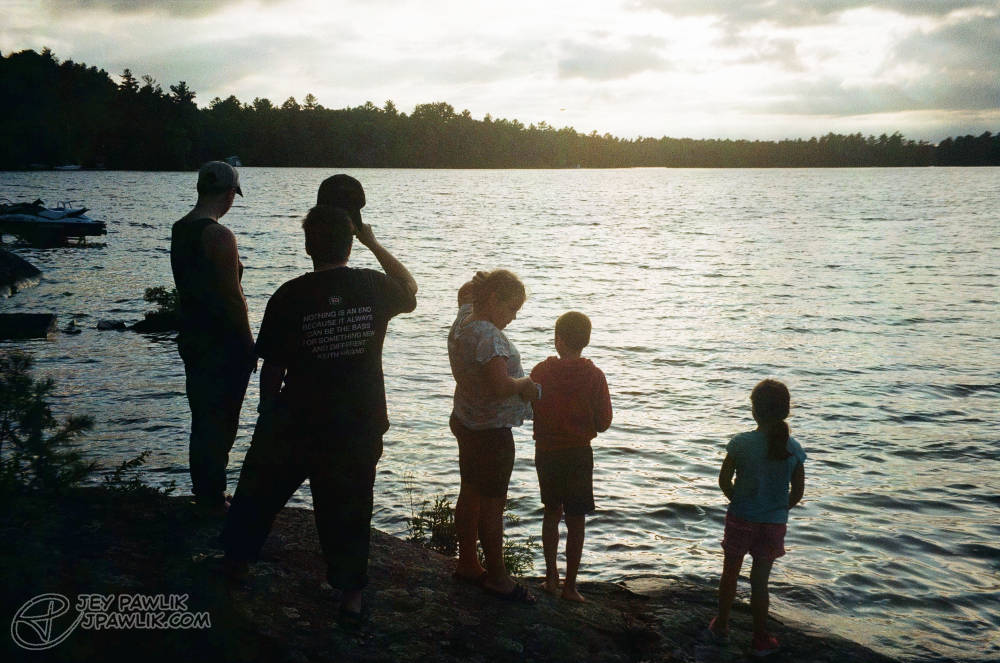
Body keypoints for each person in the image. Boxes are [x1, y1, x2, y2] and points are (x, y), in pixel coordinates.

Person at [221, 175, 417, 622]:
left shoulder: (289, 295)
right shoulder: (373, 286)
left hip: (297, 418)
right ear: (350, 241)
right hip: (357, 421)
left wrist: (267, 414)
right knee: (348, 509)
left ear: (308, 247)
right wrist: (373, 242)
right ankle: (350, 595)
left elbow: (272, 367)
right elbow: (410, 288)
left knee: (259, 493)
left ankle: (235, 562)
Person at [448, 269, 539, 603]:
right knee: (491, 505)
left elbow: (464, 292)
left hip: (466, 420)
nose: (513, 318)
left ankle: (468, 563)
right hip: (491, 433)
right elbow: (501, 386)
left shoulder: (464, 321)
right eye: (511, 309)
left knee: (469, 491)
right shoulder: (490, 337)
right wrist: (525, 386)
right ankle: (499, 578)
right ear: (493, 299)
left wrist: (481, 285)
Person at [170, 161, 255, 513]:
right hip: (222, 342)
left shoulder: (181, 228)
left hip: (193, 337)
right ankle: (213, 496)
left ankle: (205, 490)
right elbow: (231, 297)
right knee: (223, 420)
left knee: (202, 416)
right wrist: (249, 345)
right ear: (228, 194)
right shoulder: (219, 235)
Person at [706, 379, 806, 657]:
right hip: (773, 523)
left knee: (730, 574)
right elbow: (797, 492)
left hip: (742, 517)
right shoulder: (793, 449)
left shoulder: (741, 444)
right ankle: (760, 638)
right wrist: (777, 508)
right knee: (760, 582)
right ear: (785, 411)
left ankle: (721, 626)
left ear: (754, 410)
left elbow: (724, 480)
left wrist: (738, 500)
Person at [530, 311, 612, 602]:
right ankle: (570, 586)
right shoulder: (595, 375)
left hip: (547, 453)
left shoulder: (540, 371)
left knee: (551, 513)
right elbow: (604, 421)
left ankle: (550, 578)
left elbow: (529, 409)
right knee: (576, 520)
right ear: (586, 341)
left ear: (558, 339)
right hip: (578, 454)